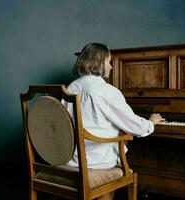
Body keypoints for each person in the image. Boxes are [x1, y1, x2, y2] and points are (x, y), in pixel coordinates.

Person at [62, 43, 164, 200]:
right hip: (96, 161)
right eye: (109, 62)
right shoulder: (106, 91)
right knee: (116, 167)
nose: (110, 67)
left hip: (71, 158)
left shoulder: (70, 88)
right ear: (99, 63)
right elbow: (135, 127)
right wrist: (151, 122)